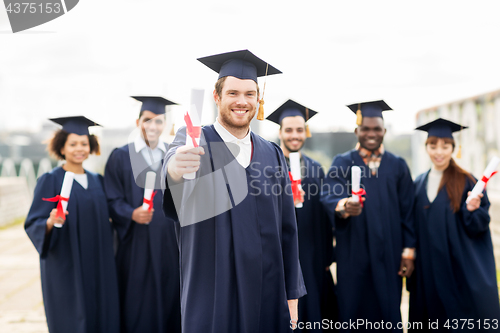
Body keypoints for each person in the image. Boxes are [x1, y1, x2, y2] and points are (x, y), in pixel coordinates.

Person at [162, 50, 306, 333]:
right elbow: (173, 168)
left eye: (250, 94)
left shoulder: (272, 153)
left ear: (258, 100)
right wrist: (175, 168)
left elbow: (288, 231)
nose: (242, 101)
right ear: (217, 97)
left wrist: (292, 295)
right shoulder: (194, 139)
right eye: (233, 93)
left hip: (267, 291)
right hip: (212, 293)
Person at [320, 100, 415, 331]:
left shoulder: (398, 165)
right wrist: (344, 205)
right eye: (366, 129)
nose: (371, 133)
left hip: (390, 253)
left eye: (376, 129)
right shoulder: (342, 162)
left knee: (388, 311)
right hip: (354, 254)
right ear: (357, 131)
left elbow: (408, 211)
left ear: (384, 130)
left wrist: (408, 251)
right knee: (353, 312)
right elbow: (329, 194)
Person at [25, 116, 120, 333]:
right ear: (62, 147)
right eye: (73, 144)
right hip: (68, 263)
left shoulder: (98, 180)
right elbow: (33, 222)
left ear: (91, 146)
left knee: (101, 313)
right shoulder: (50, 180)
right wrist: (50, 221)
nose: (80, 149)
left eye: (84, 144)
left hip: (99, 262)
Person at [409, 118, 500, 330]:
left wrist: (472, 210)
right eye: (433, 145)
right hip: (427, 271)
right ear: (426, 147)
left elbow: (479, 226)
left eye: (445, 146)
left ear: (453, 148)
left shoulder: (467, 181)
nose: (438, 152)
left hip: (456, 271)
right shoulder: (418, 183)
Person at [103, 97, 181, 333]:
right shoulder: (120, 156)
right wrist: (130, 214)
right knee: (139, 300)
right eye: (148, 120)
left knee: (171, 295)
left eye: (158, 121)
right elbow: (111, 198)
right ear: (138, 122)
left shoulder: (174, 154)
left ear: (165, 125)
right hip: (136, 241)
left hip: (169, 240)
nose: (153, 126)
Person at [267, 99, 337, 332]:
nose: (294, 135)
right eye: (289, 130)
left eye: (299, 130)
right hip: (279, 256)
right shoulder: (268, 167)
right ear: (280, 132)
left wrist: (327, 257)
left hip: (312, 256)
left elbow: (325, 219)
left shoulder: (316, 169)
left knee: (314, 314)